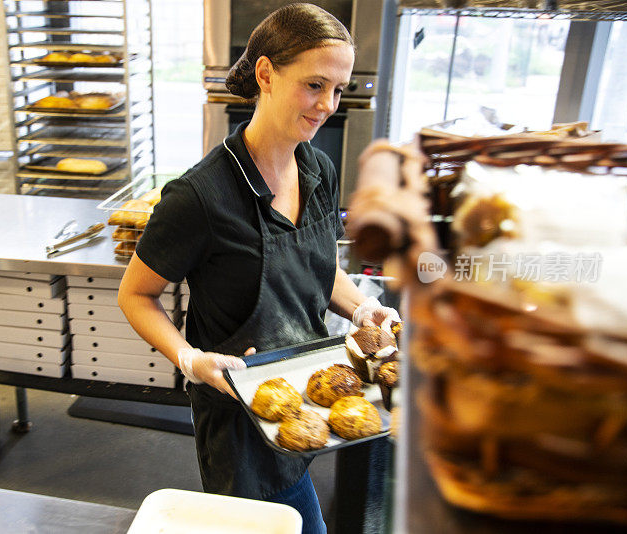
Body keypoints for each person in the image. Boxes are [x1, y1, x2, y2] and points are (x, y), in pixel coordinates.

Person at [118, 4, 399, 533]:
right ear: (266, 74)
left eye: (337, 90)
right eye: (314, 85)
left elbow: (316, 267)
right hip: (242, 419)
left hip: (310, 387)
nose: (327, 106)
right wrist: (188, 357)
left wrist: (363, 306)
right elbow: (134, 295)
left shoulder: (316, 166)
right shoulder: (199, 197)